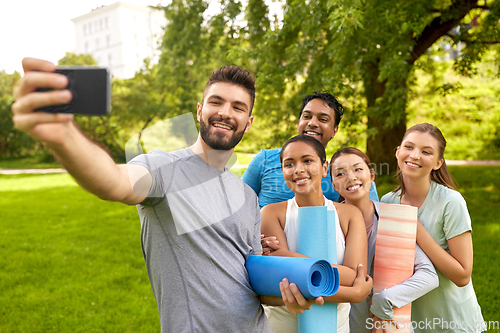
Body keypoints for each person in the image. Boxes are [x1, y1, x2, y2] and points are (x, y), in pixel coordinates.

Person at [11, 58, 319, 332]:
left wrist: (288, 296)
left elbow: (250, 281)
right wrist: (65, 138)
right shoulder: (163, 168)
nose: (226, 113)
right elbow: (114, 182)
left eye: (238, 107)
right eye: (216, 102)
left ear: (248, 123)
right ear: (200, 110)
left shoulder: (246, 197)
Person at [260, 135, 373, 333]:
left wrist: (286, 257)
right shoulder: (271, 214)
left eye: (307, 161)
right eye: (289, 164)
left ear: (324, 168)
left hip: (336, 327)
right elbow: (280, 282)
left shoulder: (348, 215)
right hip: (283, 327)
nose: (298, 170)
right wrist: (352, 293)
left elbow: (353, 276)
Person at [381, 123, 485, 333]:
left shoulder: (451, 202)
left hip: (455, 323)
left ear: (438, 163)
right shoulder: (387, 202)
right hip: (411, 325)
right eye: (409, 147)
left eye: (426, 152)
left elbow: (463, 275)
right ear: (398, 152)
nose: (415, 155)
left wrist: (416, 229)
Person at [330, 147, 439, 332]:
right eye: (340, 173)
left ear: (371, 175)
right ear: (333, 184)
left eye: (358, 169)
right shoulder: (328, 222)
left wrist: (385, 300)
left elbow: (429, 276)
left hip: (391, 325)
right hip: (343, 325)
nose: (351, 177)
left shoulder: (392, 218)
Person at [242, 91, 378, 208]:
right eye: (306, 117)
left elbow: (370, 217)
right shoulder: (265, 159)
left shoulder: (345, 173)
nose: (312, 123)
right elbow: (236, 205)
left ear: (334, 130)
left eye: (323, 119)